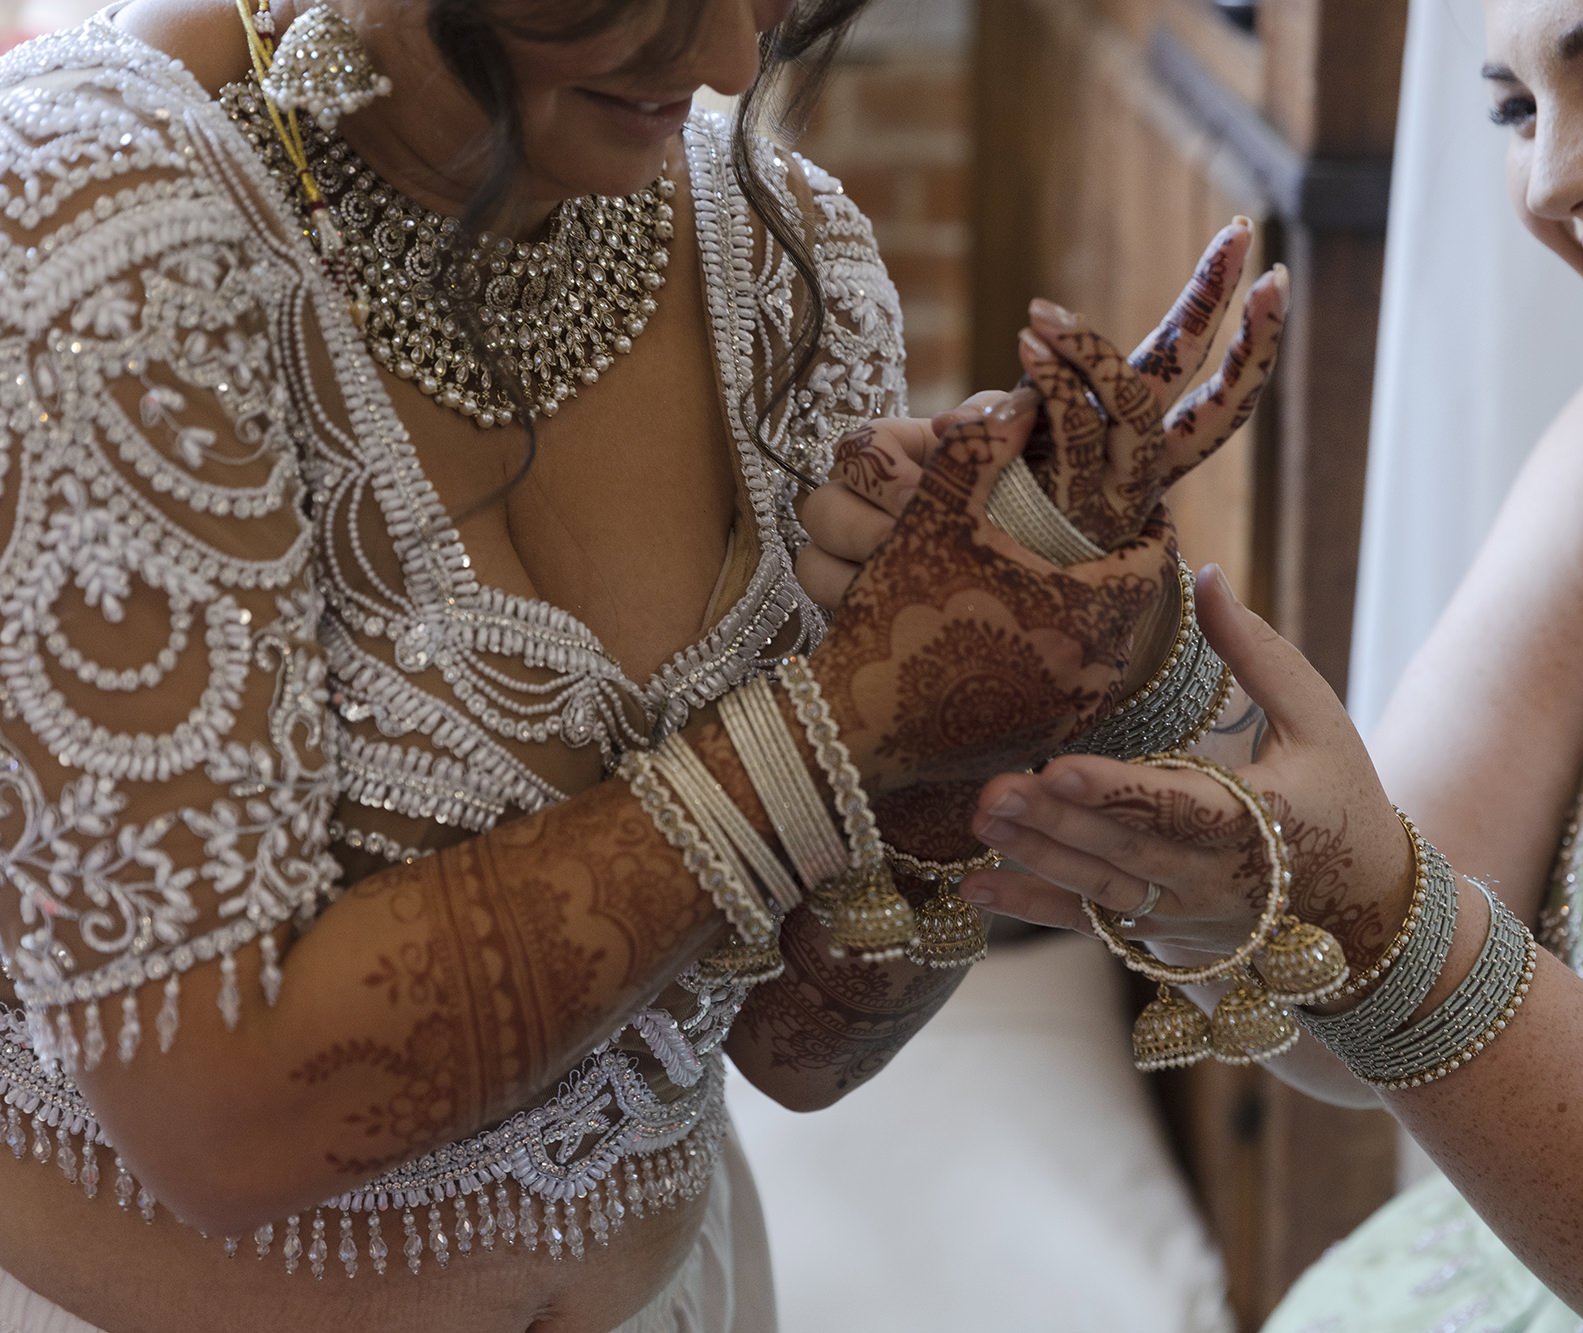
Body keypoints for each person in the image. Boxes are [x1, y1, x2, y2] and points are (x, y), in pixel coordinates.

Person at [0, 0, 1289, 1329]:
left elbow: (795, 1047)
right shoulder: (92, 216)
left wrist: (962, 683)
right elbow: (220, 1122)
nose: (733, 61)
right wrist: (848, 721)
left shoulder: (784, 253)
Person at [944, 0, 1583, 1327]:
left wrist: (1388, 932)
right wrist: (1119, 651)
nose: (1553, 185)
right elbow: (1353, 992)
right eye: (1514, 109)